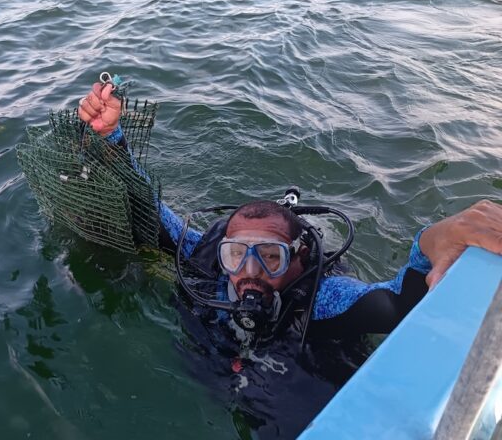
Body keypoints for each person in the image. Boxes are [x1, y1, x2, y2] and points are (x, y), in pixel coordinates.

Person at [77, 81, 502, 438]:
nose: (249, 272)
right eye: (236, 254)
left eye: (270, 256)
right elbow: (148, 206)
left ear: (297, 259)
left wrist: (432, 240)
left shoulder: (320, 297)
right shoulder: (207, 261)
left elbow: (395, 303)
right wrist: (111, 136)